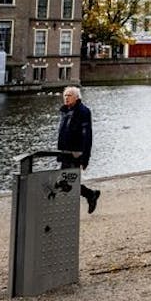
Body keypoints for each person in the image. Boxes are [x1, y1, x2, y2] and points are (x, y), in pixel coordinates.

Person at [57, 86, 100, 214]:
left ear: (77, 97)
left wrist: (85, 157)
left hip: (76, 153)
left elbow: (87, 135)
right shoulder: (65, 111)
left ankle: (88, 196)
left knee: (67, 181)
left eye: (69, 95)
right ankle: (90, 194)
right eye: (65, 95)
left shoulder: (83, 111)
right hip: (65, 153)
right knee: (66, 181)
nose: (66, 98)